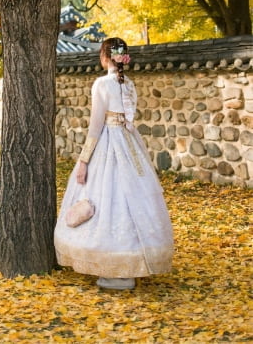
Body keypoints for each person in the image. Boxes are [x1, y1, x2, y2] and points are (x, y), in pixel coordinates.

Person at [54, 37, 174, 290]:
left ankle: (112, 269)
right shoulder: (128, 84)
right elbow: (129, 119)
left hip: (108, 142)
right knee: (130, 200)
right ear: (122, 57)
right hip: (129, 144)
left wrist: (83, 161)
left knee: (105, 199)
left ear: (105, 56)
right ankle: (133, 263)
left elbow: (95, 126)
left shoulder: (102, 84)